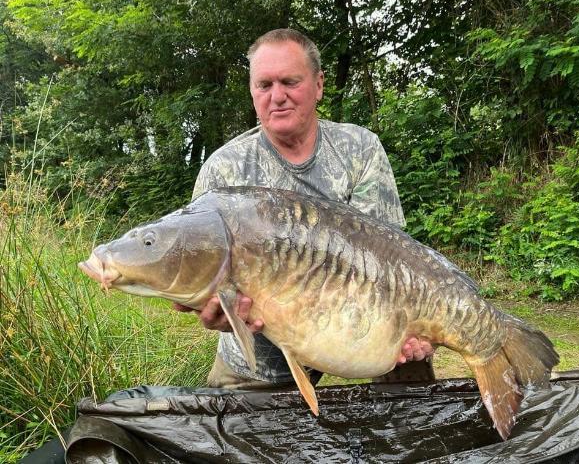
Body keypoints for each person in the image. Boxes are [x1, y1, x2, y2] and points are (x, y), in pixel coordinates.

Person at [174, 28, 435, 389]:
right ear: (252, 92)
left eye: (290, 82)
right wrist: (220, 312)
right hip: (260, 361)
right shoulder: (223, 171)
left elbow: (392, 262)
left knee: (414, 386)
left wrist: (416, 325)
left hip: (360, 333)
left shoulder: (359, 149)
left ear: (318, 85)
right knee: (234, 438)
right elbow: (202, 271)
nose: (276, 97)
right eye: (264, 85)